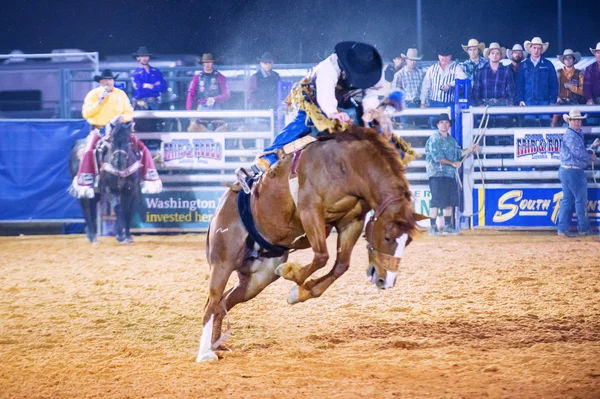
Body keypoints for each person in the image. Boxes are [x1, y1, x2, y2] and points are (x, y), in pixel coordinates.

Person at [235, 41, 387, 193]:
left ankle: (383, 163)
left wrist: (369, 111)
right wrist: (335, 113)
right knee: (303, 123)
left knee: (370, 126)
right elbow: (325, 97)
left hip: (343, 99)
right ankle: (268, 157)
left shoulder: (373, 72)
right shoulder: (329, 68)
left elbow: (371, 95)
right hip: (313, 96)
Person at [70, 69, 162, 198]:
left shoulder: (121, 94)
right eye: (106, 80)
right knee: (88, 151)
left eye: (111, 80)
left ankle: (148, 179)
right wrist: (99, 103)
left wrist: (122, 118)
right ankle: (86, 182)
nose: (109, 82)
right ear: (101, 82)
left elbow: (129, 111)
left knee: (143, 149)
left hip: (119, 130)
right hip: (100, 130)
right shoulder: (93, 94)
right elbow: (86, 114)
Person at [425, 113, 478, 235]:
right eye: (442, 122)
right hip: (437, 173)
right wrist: (453, 163)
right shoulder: (434, 139)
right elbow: (438, 158)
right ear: (438, 125)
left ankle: (448, 226)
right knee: (437, 200)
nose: (444, 125)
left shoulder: (452, 141)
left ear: (449, 125)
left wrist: (470, 149)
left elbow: (459, 153)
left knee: (449, 201)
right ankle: (433, 227)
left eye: (446, 123)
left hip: (449, 174)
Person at [557, 109, 599, 237]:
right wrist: (591, 153)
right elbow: (579, 153)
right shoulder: (572, 135)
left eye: (578, 120)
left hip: (567, 170)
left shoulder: (573, 134)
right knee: (580, 200)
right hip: (573, 171)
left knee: (568, 200)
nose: (577, 122)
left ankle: (563, 229)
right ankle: (584, 228)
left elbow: (579, 152)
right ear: (569, 121)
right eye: (575, 120)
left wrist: (592, 147)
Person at [420, 45, 467, 128]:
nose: (444, 58)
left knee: (450, 128)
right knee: (434, 128)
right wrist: (422, 102)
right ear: (438, 56)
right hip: (434, 103)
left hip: (450, 103)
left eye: (446, 56)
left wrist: (450, 84)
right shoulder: (432, 68)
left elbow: (463, 78)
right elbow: (425, 86)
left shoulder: (456, 67)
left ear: (450, 56)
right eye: (442, 55)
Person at [516, 37, 558, 127]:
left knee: (546, 127)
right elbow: (519, 84)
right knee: (528, 127)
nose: (536, 50)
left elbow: (554, 84)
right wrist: (521, 99)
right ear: (530, 48)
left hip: (545, 101)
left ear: (542, 50)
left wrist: (552, 101)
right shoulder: (523, 65)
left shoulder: (548, 64)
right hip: (528, 101)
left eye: (539, 48)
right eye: (534, 48)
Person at [472, 42, 515, 107]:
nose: (495, 55)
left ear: (500, 56)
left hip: (502, 105)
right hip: (485, 105)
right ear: (488, 55)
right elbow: (476, 90)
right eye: (492, 53)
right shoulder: (481, 71)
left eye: (497, 53)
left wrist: (510, 104)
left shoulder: (506, 71)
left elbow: (511, 91)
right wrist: (480, 104)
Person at [391, 48, 425, 126]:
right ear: (406, 60)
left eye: (415, 60)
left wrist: (423, 103)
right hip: (406, 104)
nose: (413, 62)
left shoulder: (421, 73)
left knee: (420, 128)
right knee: (407, 128)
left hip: (418, 104)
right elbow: (395, 92)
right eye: (411, 60)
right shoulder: (399, 74)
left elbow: (424, 89)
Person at [552, 49, 585, 127]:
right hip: (560, 101)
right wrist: (556, 97)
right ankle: (552, 136)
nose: (568, 60)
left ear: (573, 60)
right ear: (563, 60)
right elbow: (553, 87)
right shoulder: (558, 72)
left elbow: (582, 91)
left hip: (575, 102)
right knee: (555, 118)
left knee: (577, 120)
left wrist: (571, 86)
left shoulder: (579, 73)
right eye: (565, 58)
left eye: (570, 58)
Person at [130, 46, 168, 111]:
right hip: (141, 104)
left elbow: (164, 87)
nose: (144, 58)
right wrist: (154, 85)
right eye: (142, 56)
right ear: (138, 58)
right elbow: (139, 88)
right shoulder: (135, 73)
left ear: (149, 57)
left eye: (146, 56)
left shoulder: (156, 71)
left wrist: (148, 86)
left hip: (155, 103)